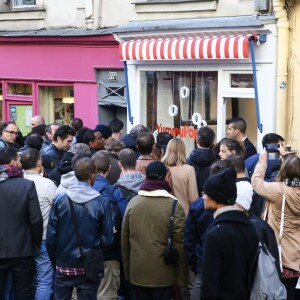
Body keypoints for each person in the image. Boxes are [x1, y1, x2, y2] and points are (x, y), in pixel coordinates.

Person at [46, 157, 114, 300]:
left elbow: (51, 236)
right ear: (92, 175)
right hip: (89, 265)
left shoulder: (60, 200)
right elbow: (107, 240)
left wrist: (57, 261)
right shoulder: (102, 202)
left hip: (64, 263)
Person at [121, 161, 188, 299]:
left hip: (137, 273)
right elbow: (180, 245)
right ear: (166, 177)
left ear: (145, 177)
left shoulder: (133, 203)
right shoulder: (175, 206)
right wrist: (181, 279)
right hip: (165, 276)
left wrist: (128, 272)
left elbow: (125, 242)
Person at [200, 167, 258, 299]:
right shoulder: (250, 227)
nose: (203, 197)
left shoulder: (215, 234)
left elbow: (209, 283)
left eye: (206, 193)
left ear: (216, 198)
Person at [251, 151, 300, 300]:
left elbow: (256, 182)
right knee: (291, 293)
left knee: (275, 293)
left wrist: (263, 162)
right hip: (296, 254)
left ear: (283, 170)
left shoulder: (278, 190)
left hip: (278, 253)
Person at [0, 148, 43, 299]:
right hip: (22, 248)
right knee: (23, 292)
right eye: (18, 160)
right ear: (12, 162)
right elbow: (36, 219)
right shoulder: (26, 185)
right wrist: (35, 243)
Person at [21, 148, 57, 300]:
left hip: (21, 240)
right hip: (43, 238)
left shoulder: (15, 182)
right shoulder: (48, 184)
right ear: (39, 162)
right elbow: (57, 209)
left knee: (24, 282)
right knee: (44, 280)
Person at [161, 138, 198, 216]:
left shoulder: (161, 167)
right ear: (183, 150)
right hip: (183, 213)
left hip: (163, 212)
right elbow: (193, 198)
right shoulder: (189, 169)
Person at [187, 126, 216, 195]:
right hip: (212, 202)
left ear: (196, 140)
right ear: (212, 143)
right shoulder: (219, 163)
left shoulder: (186, 162)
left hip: (192, 203)